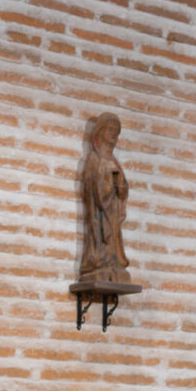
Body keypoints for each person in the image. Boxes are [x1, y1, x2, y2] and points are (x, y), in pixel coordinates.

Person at [79, 113, 131, 284]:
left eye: (117, 132)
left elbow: (122, 190)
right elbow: (92, 189)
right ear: (100, 132)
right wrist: (107, 185)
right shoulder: (93, 159)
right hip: (98, 214)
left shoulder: (113, 162)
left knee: (113, 237)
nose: (114, 134)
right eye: (110, 130)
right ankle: (99, 263)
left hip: (112, 212)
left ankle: (113, 263)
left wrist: (119, 185)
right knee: (103, 237)